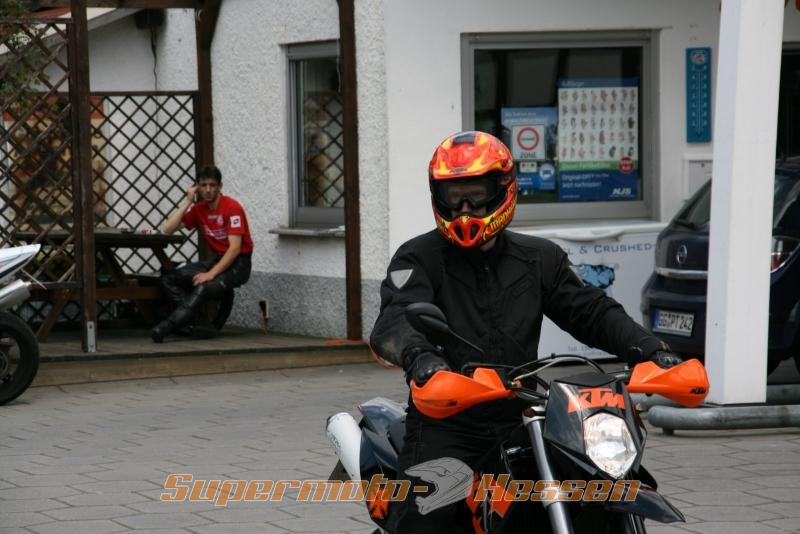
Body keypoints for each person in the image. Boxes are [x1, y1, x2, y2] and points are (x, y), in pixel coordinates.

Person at [369, 131, 682, 533]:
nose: (465, 208)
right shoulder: (418, 257)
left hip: (525, 415)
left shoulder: (539, 258)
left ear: (504, 189)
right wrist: (423, 360)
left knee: (595, 485)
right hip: (448, 421)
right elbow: (395, 319)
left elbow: (591, 311)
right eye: (454, 196)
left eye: (476, 194)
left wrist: (653, 351)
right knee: (428, 515)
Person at [151, 165, 254, 343]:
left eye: (212, 185)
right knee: (168, 279)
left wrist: (210, 274)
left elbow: (235, 249)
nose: (207, 190)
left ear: (220, 186)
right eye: (203, 185)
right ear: (197, 187)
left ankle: (166, 327)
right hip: (219, 260)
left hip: (239, 264)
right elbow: (167, 229)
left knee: (204, 286)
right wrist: (187, 202)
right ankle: (199, 322)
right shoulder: (199, 209)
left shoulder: (232, 207)